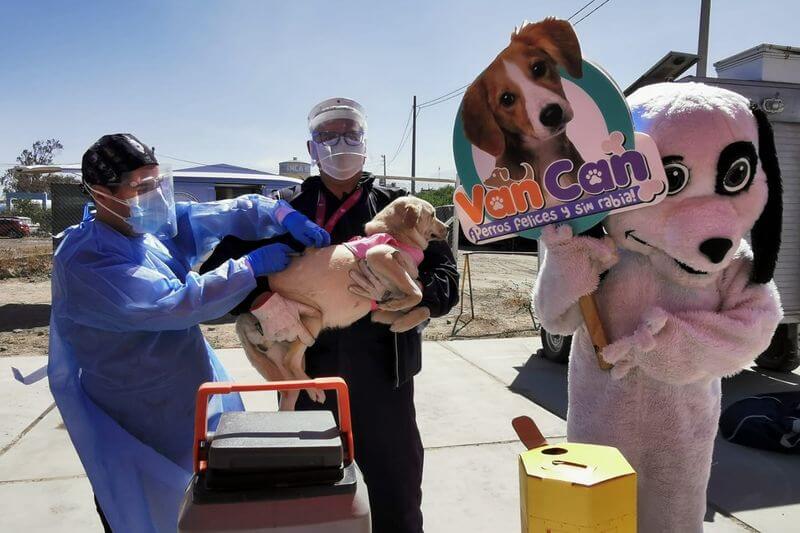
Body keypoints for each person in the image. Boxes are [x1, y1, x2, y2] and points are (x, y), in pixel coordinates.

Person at [47, 133, 330, 532]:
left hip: (188, 398)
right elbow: (176, 304)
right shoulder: (86, 261)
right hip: (136, 414)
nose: (154, 196)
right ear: (100, 193)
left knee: (202, 510)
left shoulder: (145, 232)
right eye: (141, 187)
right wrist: (249, 267)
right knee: (146, 511)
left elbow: (218, 215)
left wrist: (278, 214)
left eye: (157, 182)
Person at [202, 98, 460, 532]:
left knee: (394, 501)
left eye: (351, 133)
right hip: (308, 383)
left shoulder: (400, 206)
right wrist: (261, 300)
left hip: (386, 381)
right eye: (327, 135)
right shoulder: (282, 209)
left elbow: (447, 276)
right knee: (313, 504)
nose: (341, 142)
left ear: (364, 141)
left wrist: (415, 299)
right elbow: (215, 279)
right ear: (310, 147)